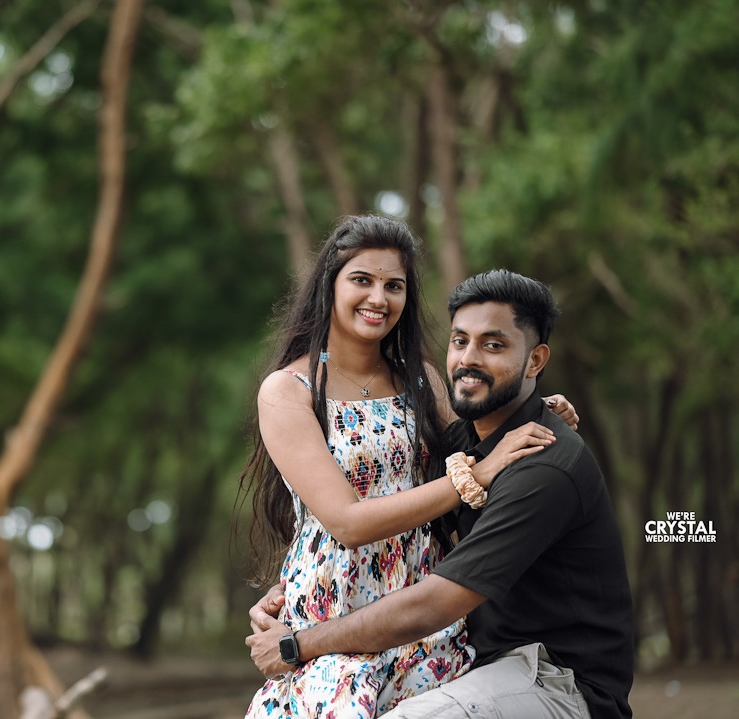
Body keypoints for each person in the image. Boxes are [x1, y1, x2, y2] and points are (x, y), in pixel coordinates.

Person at [246, 269, 634, 719]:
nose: (469, 358)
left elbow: (433, 604)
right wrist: (297, 592)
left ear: (535, 361)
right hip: (478, 661)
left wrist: (298, 644)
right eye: (459, 341)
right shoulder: (464, 443)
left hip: (554, 677)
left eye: (494, 345)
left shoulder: (541, 462)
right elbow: (393, 520)